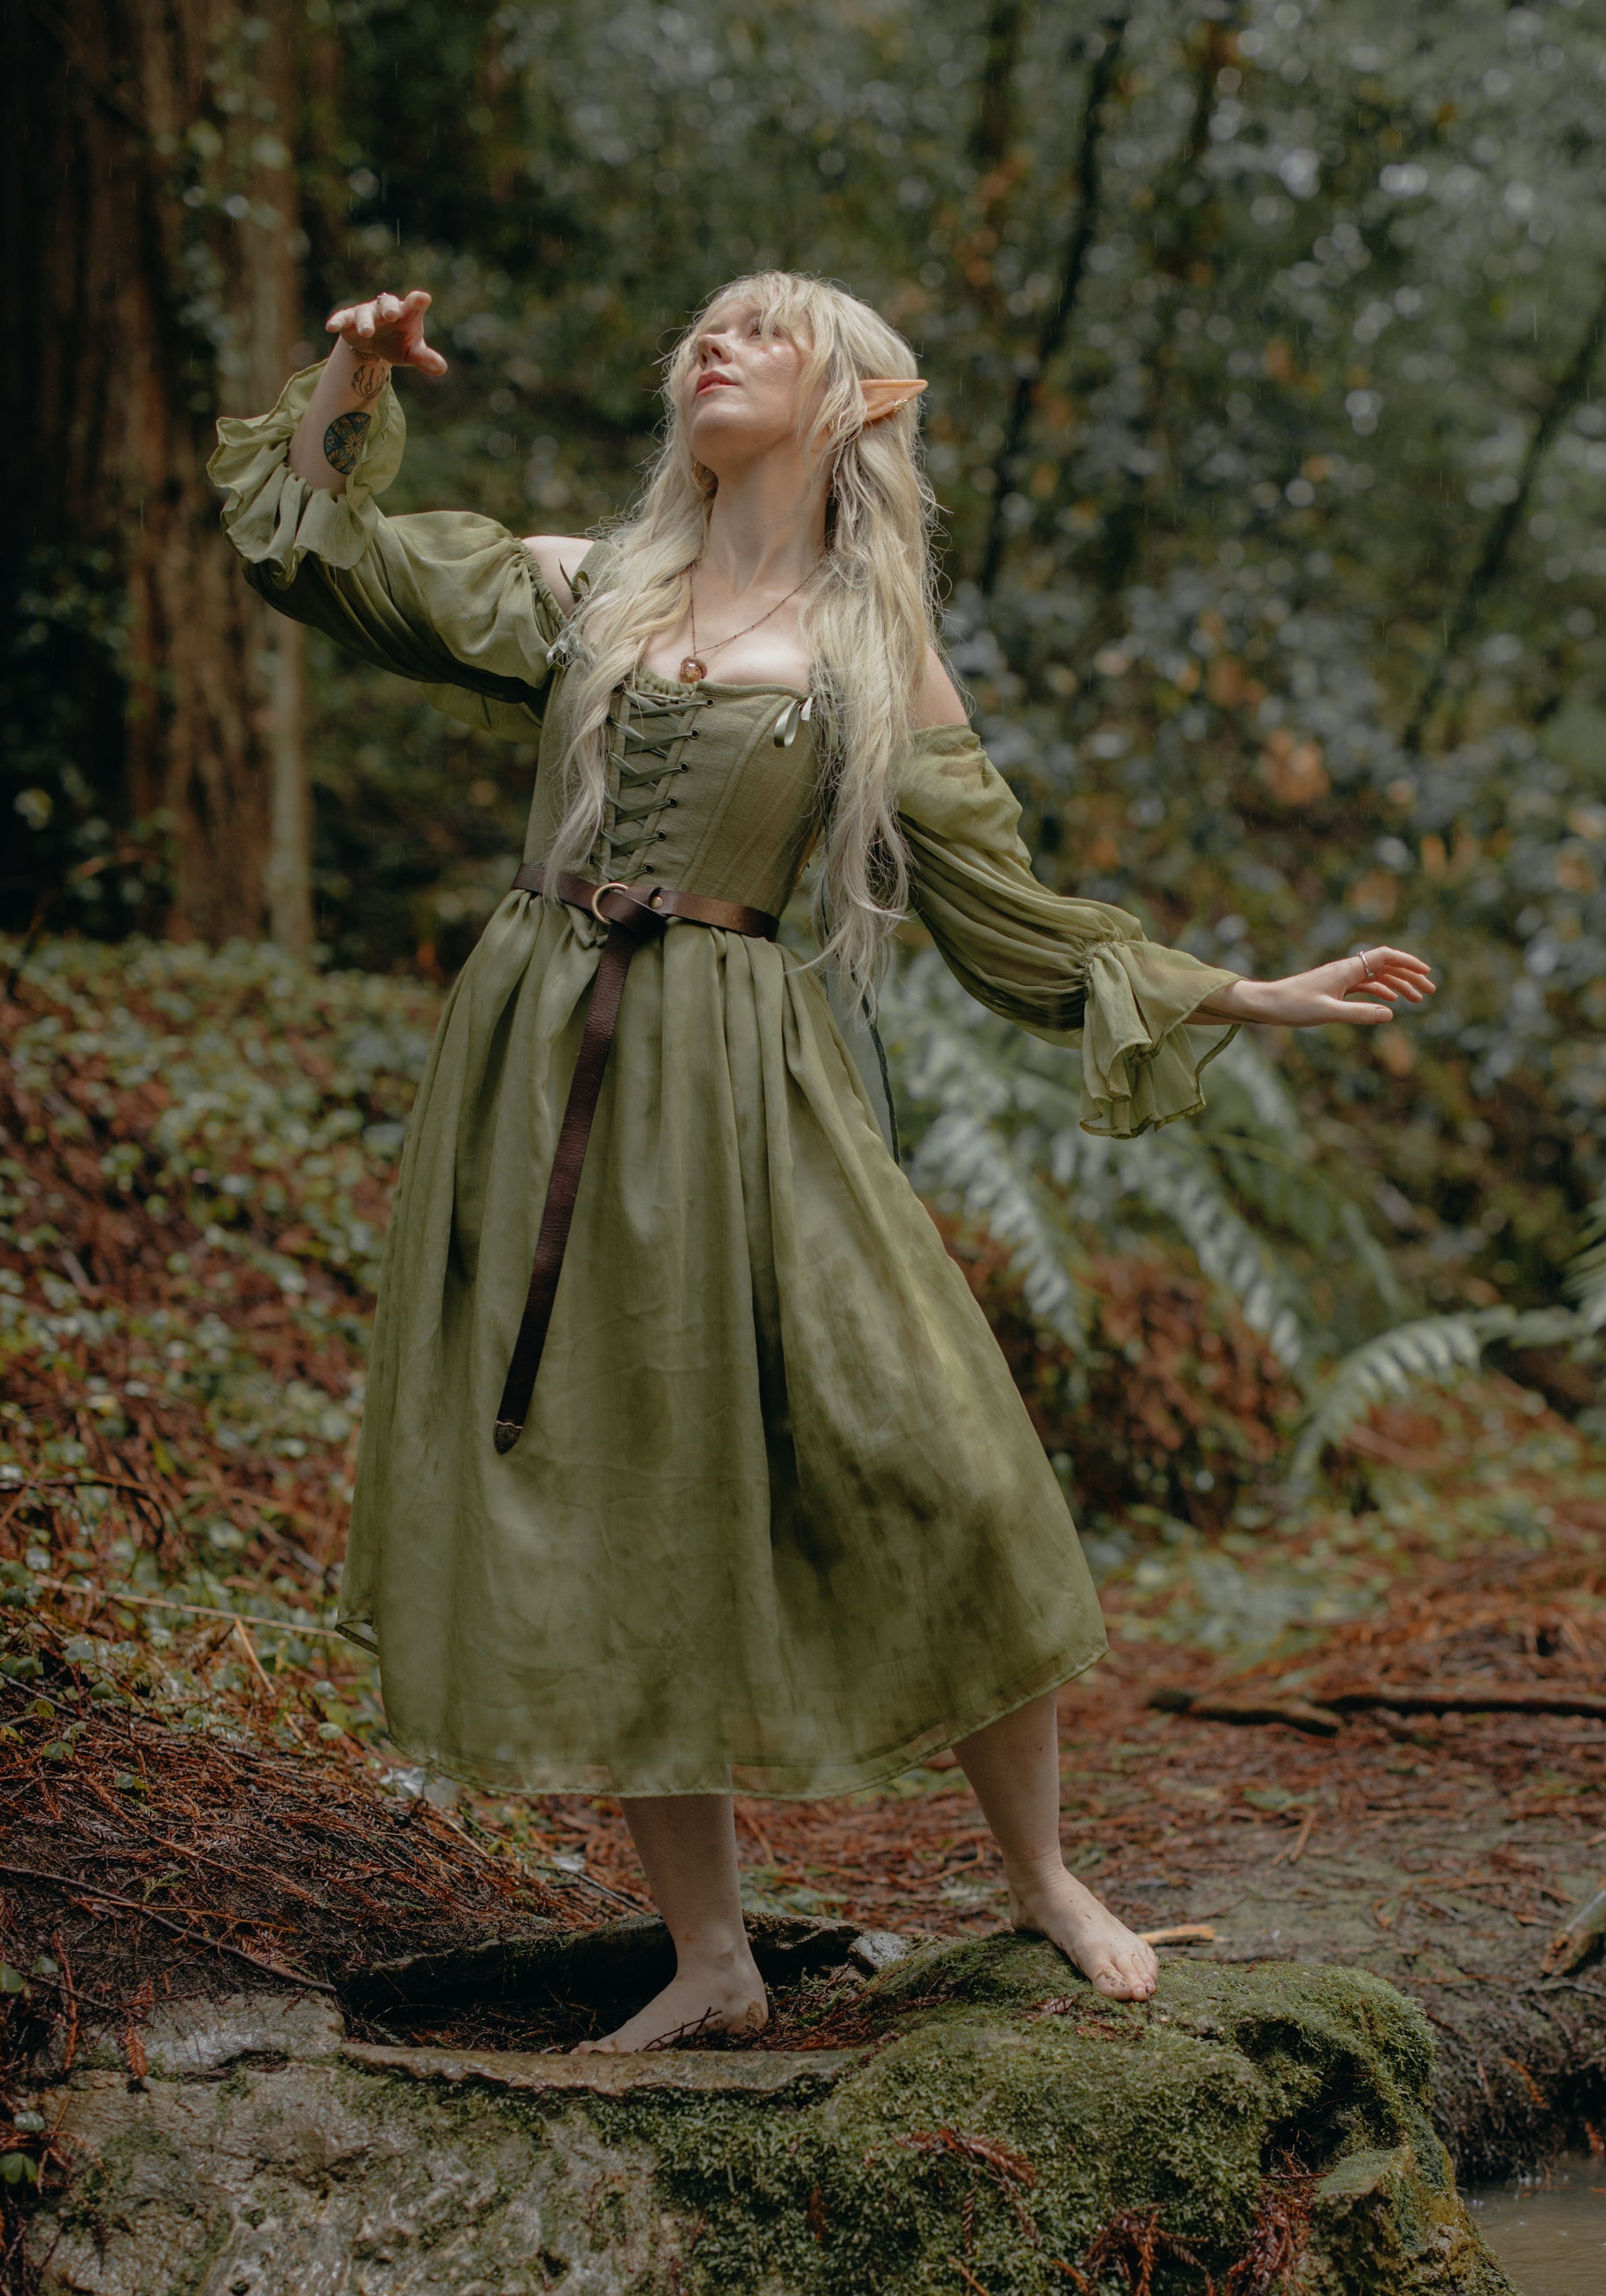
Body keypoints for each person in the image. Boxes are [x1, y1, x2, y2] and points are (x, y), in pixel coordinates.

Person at [211, 273, 1433, 2049]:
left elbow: (1007, 914)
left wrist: (1243, 990)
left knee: (943, 1449)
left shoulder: (875, 660)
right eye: (702, 327)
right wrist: (343, 371)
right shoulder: (586, 584)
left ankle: (1042, 1878)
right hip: (546, 1066)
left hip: (747, 1078)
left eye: (766, 331)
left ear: (856, 400)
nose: (717, 344)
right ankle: (710, 1956)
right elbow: (311, 549)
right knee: (613, 1482)